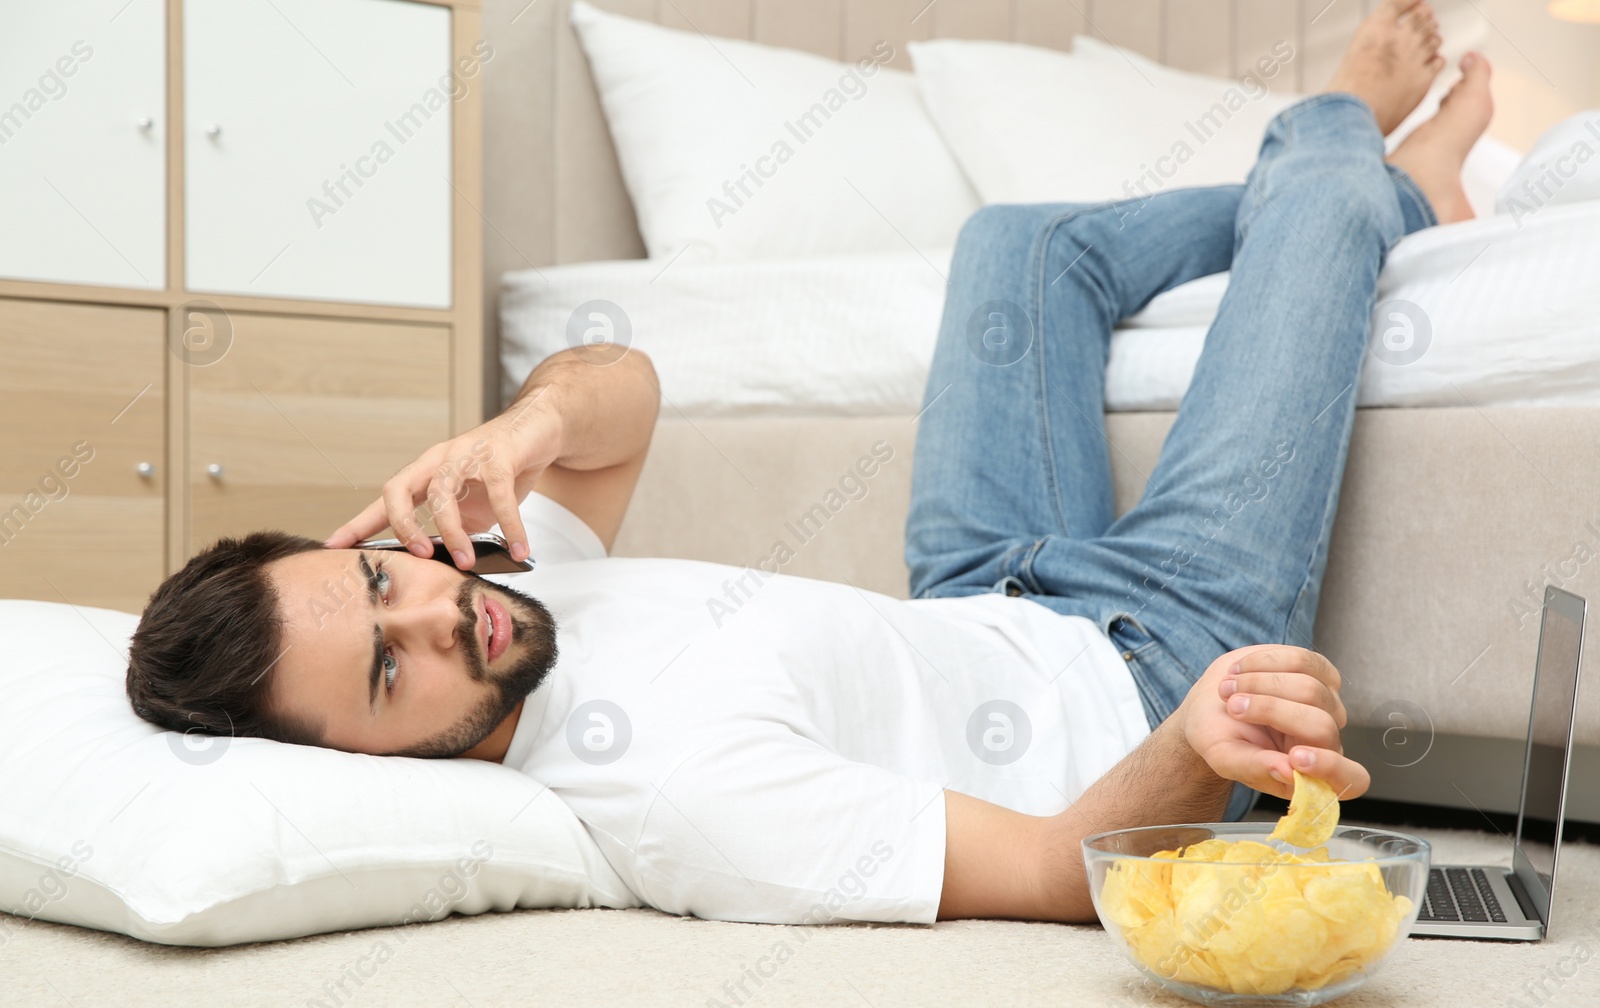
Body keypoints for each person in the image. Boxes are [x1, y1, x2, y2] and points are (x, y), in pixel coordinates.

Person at [126, 1, 1492, 925]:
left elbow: (632, 393)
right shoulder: (674, 796)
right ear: (368, 765)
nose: (436, 608)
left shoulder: (508, 606)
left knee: (1016, 247)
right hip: (1155, 668)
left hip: (982, 586)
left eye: (379, 578)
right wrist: (1200, 739)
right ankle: (1350, 153)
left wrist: (530, 419)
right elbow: (1052, 868)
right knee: (1316, 206)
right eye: (386, 668)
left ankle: (1379, 190)